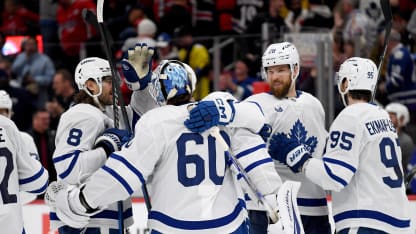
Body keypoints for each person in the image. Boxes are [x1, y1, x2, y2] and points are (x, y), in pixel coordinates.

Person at [44, 59, 305, 233]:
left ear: (158, 91)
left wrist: (81, 201)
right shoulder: (219, 108)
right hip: (229, 224)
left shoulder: (156, 121)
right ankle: (277, 199)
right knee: (243, 138)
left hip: (173, 225)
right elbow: (255, 136)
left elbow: (123, 175)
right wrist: (273, 197)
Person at [185, 42, 332, 234]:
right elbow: (242, 112)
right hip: (269, 210)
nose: (274, 77)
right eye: (270, 71)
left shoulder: (315, 105)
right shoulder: (258, 103)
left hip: (315, 206)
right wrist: (221, 109)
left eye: (280, 70)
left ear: (295, 69)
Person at [270, 57, 412, 233]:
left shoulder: (350, 116)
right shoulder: (383, 118)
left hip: (365, 221)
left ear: (345, 83)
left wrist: (298, 157)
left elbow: (335, 177)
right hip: (400, 223)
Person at [49, 44, 160, 233]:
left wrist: (141, 86)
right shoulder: (82, 115)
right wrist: (107, 148)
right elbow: (68, 167)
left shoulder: (109, 111)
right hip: (88, 221)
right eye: (109, 81)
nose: (116, 86)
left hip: (107, 216)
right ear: (91, 85)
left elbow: (142, 119)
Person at [0, 98, 49, 234]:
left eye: (4, 111)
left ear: (11, 112)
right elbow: (38, 182)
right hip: (10, 225)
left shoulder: (21, 135)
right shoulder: (8, 128)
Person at [0, 90, 42, 204]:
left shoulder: (24, 140)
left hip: (13, 211)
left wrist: (8, 199)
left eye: (2, 112)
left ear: (10, 113)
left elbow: (34, 187)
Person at [385, 102, 415, 175]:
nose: (387, 119)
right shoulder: (380, 136)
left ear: (401, 119)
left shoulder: (406, 141)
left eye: (391, 116)